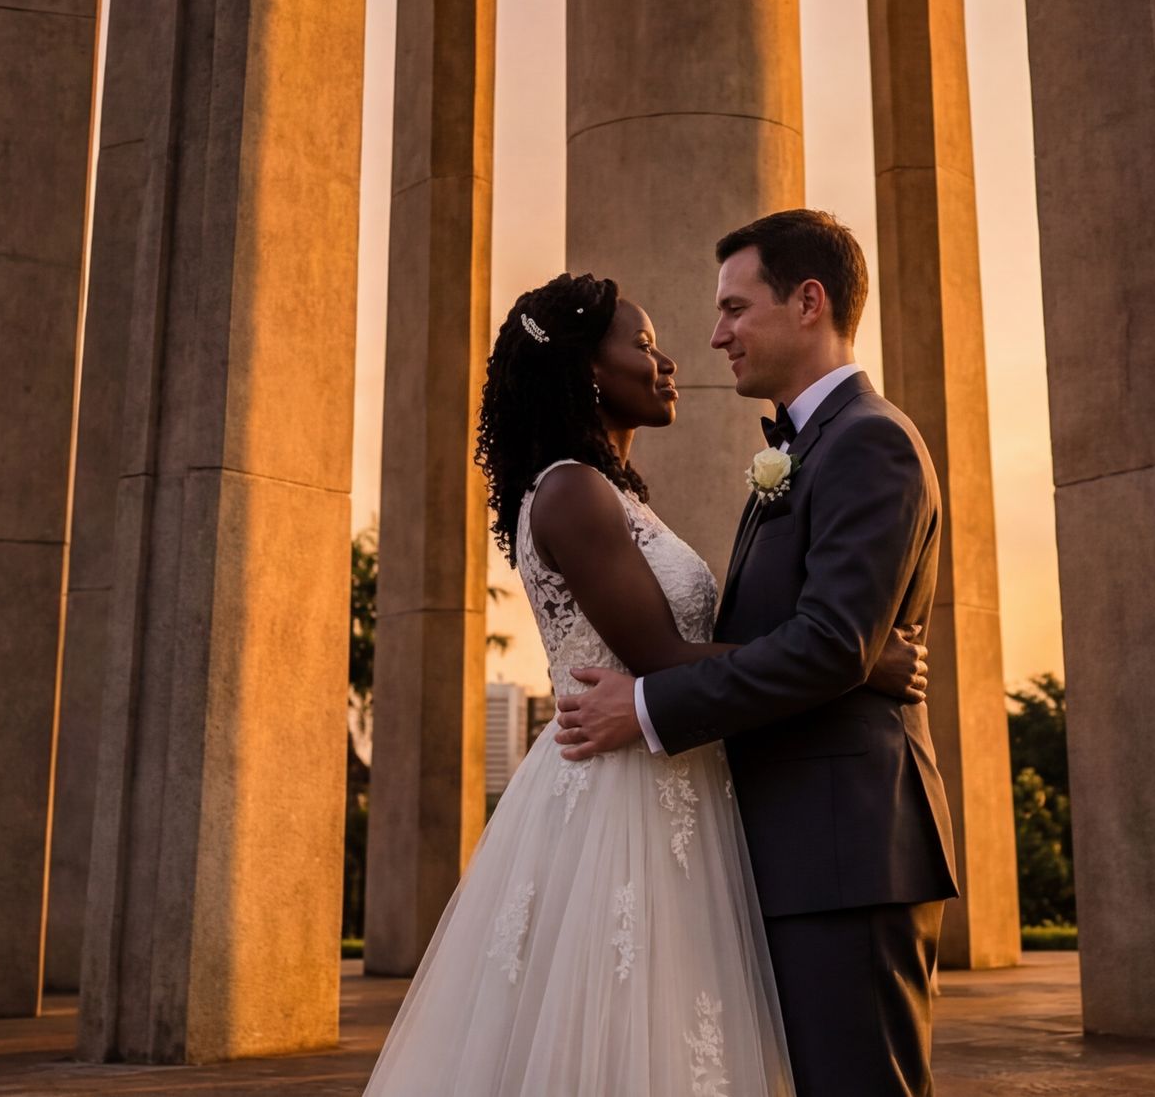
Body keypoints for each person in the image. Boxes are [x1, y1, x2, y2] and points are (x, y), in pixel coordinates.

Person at [362, 269, 928, 1096]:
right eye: (646, 345)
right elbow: (661, 656)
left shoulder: (614, 491)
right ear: (590, 369)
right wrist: (857, 657)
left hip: (675, 774)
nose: (669, 363)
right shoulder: (572, 490)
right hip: (620, 794)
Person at [557, 210, 960, 1097]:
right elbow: (826, 640)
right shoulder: (800, 451)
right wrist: (860, 656)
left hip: (845, 854)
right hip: (791, 847)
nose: (716, 335)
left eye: (736, 308)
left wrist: (647, 705)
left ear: (808, 302)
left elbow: (828, 642)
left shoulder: (871, 442)